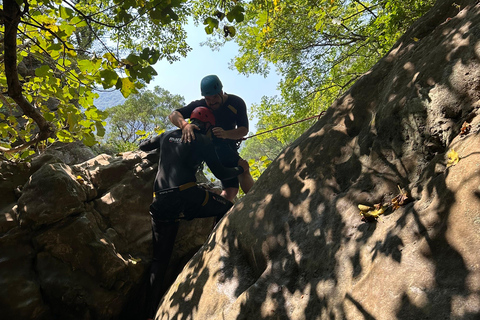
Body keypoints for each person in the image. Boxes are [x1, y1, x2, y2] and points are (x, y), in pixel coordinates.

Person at [139, 107, 249, 320]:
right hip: (186, 196)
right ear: (207, 125)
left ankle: (149, 312)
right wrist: (240, 170)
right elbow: (220, 173)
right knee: (226, 207)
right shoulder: (203, 140)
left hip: (160, 199)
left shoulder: (166, 135)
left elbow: (143, 146)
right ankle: (216, 254)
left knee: (160, 260)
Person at [168, 75, 254, 202]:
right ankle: (256, 200)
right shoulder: (201, 104)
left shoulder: (236, 103)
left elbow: (243, 129)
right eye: (208, 99)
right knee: (242, 170)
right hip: (204, 147)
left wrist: (226, 134)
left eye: (214, 97)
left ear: (221, 92)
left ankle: (253, 201)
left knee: (232, 189)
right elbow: (174, 114)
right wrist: (185, 125)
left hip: (226, 147)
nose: (212, 102)